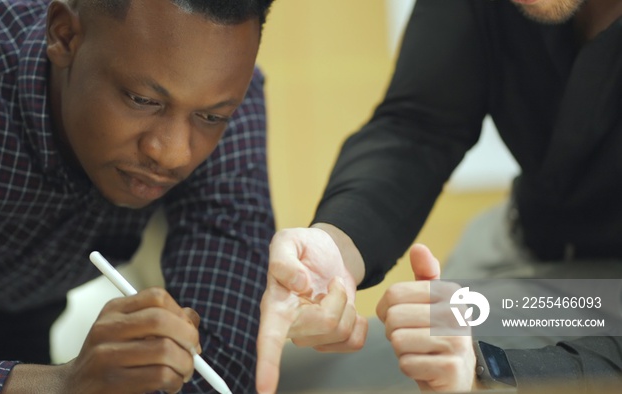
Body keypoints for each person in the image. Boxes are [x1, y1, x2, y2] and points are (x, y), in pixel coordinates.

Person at [256, 0, 622, 392]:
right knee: (299, 377)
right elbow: (420, 124)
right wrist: (339, 243)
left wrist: (494, 369)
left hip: (604, 290)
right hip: (519, 239)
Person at [0, 0, 275, 392]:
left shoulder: (220, 96)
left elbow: (221, 359)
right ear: (64, 35)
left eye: (210, 117)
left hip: (19, 321)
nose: (173, 153)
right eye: (142, 99)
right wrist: (59, 385)